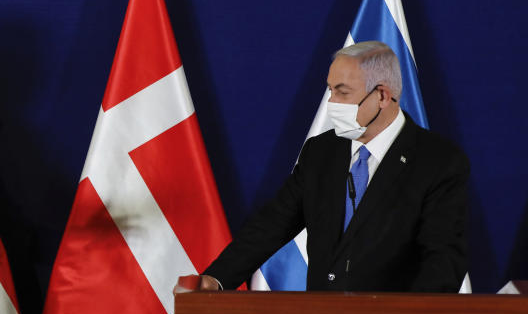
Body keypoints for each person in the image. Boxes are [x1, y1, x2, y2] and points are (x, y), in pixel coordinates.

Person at [193, 41, 468, 293]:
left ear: (383, 96)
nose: (332, 103)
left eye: (342, 92)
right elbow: (272, 224)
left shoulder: (438, 161)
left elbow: (443, 261)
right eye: (330, 90)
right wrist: (217, 278)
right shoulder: (321, 152)